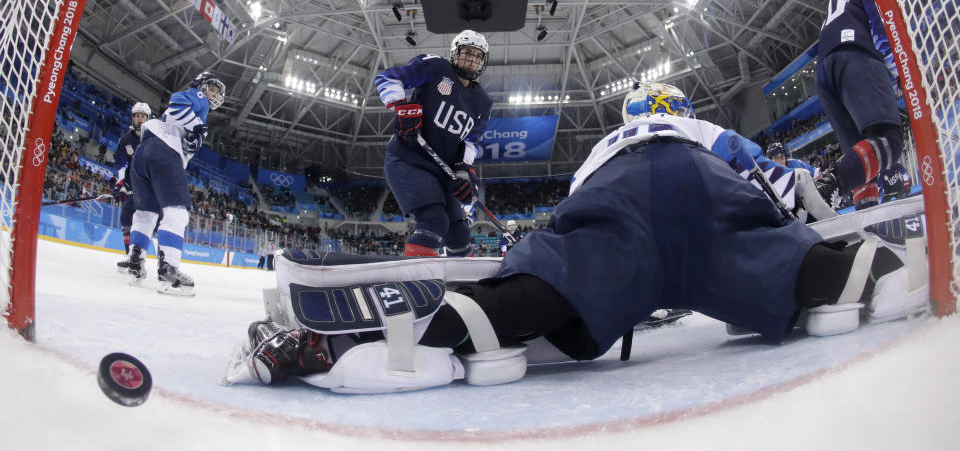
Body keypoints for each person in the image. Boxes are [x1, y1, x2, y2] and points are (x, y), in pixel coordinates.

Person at [239, 82, 927, 393]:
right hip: (704, 191)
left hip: (614, 203)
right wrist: (803, 205)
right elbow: (769, 178)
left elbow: (580, 215)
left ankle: (364, 339)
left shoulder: (608, 144)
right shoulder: (698, 130)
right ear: (678, 110)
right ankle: (873, 265)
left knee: (525, 300)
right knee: (808, 272)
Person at [375, 29, 493, 257]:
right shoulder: (435, 67)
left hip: (442, 170)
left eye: (478, 55)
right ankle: (416, 283)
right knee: (433, 221)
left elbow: (470, 142)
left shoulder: (483, 103)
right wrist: (400, 106)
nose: (472, 59)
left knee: (459, 232)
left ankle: (463, 287)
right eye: (467, 52)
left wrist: (463, 171)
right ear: (454, 53)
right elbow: (388, 77)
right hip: (408, 159)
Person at [116, 72, 226, 295]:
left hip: (143, 154)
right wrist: (196, 125)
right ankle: (169, 270)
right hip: (164, 153)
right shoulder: (198, 99)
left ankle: (135, 259)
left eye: (216, 91)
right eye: (211, 88)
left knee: (146, 212)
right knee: (177, 212)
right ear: (201, 85)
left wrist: (194, 132)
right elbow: (177, 100)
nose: (213, 94)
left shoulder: (195, 111)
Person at [814, 0, 904, 210]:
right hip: (853, 57)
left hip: (825, 74)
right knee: (890, 141)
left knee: (864, 167)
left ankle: (869, 219)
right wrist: (900, 80)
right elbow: (883, 35)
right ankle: (830, 182)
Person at [112, 102, 152, 254]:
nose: (140, 119)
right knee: (126, 218)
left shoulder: (154, 140)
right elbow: (121, 163)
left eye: (143, 116)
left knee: (148, 221)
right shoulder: (126, 140)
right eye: (137, 116)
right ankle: (130, 255)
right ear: (132, 118)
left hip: (150, 185)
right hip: (132, 184)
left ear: (148, 119)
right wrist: (121, 183)